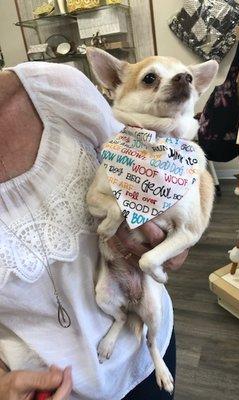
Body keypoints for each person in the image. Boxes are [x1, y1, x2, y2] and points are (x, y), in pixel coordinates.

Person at [0, 62, 189, 400]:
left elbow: (146, 176)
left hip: (145, 349)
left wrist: (171, 232)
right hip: (44, 387)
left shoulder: (57, 88)